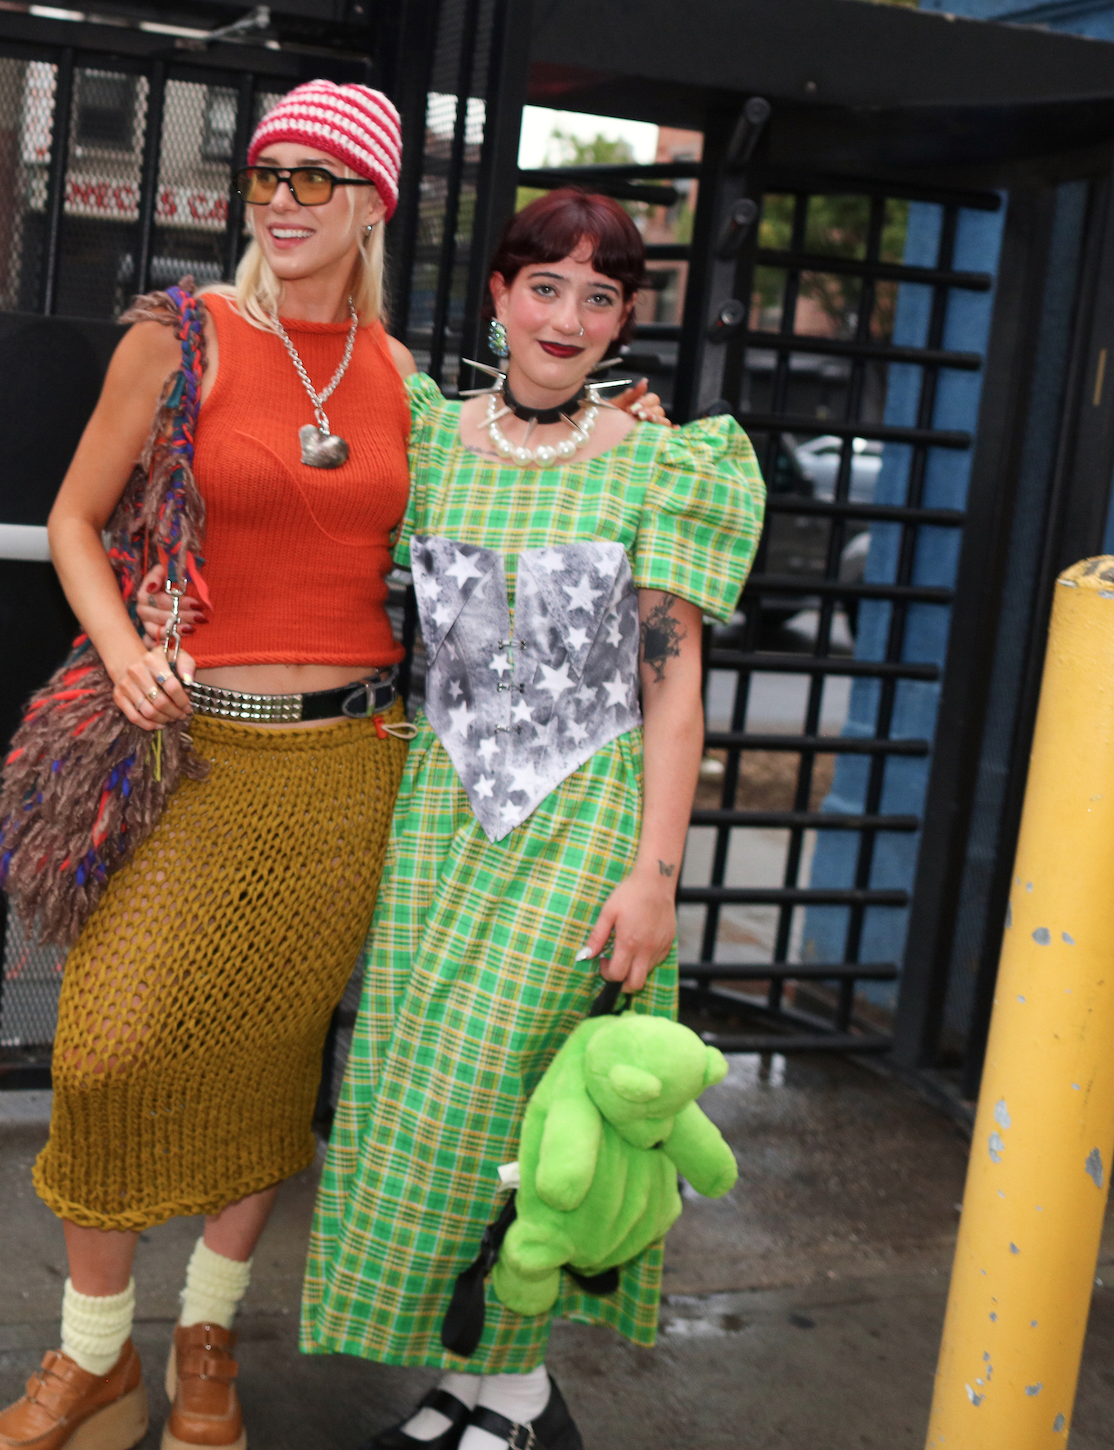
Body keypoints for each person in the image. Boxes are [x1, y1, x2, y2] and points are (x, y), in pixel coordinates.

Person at [0, 81, 421, 1450]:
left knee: (271, 1064)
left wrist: (622, 436)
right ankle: (95, 1353)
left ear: (371, 205)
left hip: (348, 766)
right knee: (109, 1050)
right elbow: (71, 513)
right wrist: (118, 651)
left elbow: (516, 498)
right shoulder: (187, 339)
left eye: (313, 181)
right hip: (189, 755)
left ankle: (209, 1334)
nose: (279, 202)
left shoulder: (407, 382)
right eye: (266, 178)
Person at [299, 189, 765, 1450]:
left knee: (525, 1113)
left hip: (582, 829)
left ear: (624, 318)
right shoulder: (430, 436)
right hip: (438, 823)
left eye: (598, 294)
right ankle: (481, 1382)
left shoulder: (666, 463)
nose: (566, 316)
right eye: (544, 285)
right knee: (420, 1106)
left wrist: (654, 874)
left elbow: (672, 695)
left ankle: (504, 1395)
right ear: (499, 293)